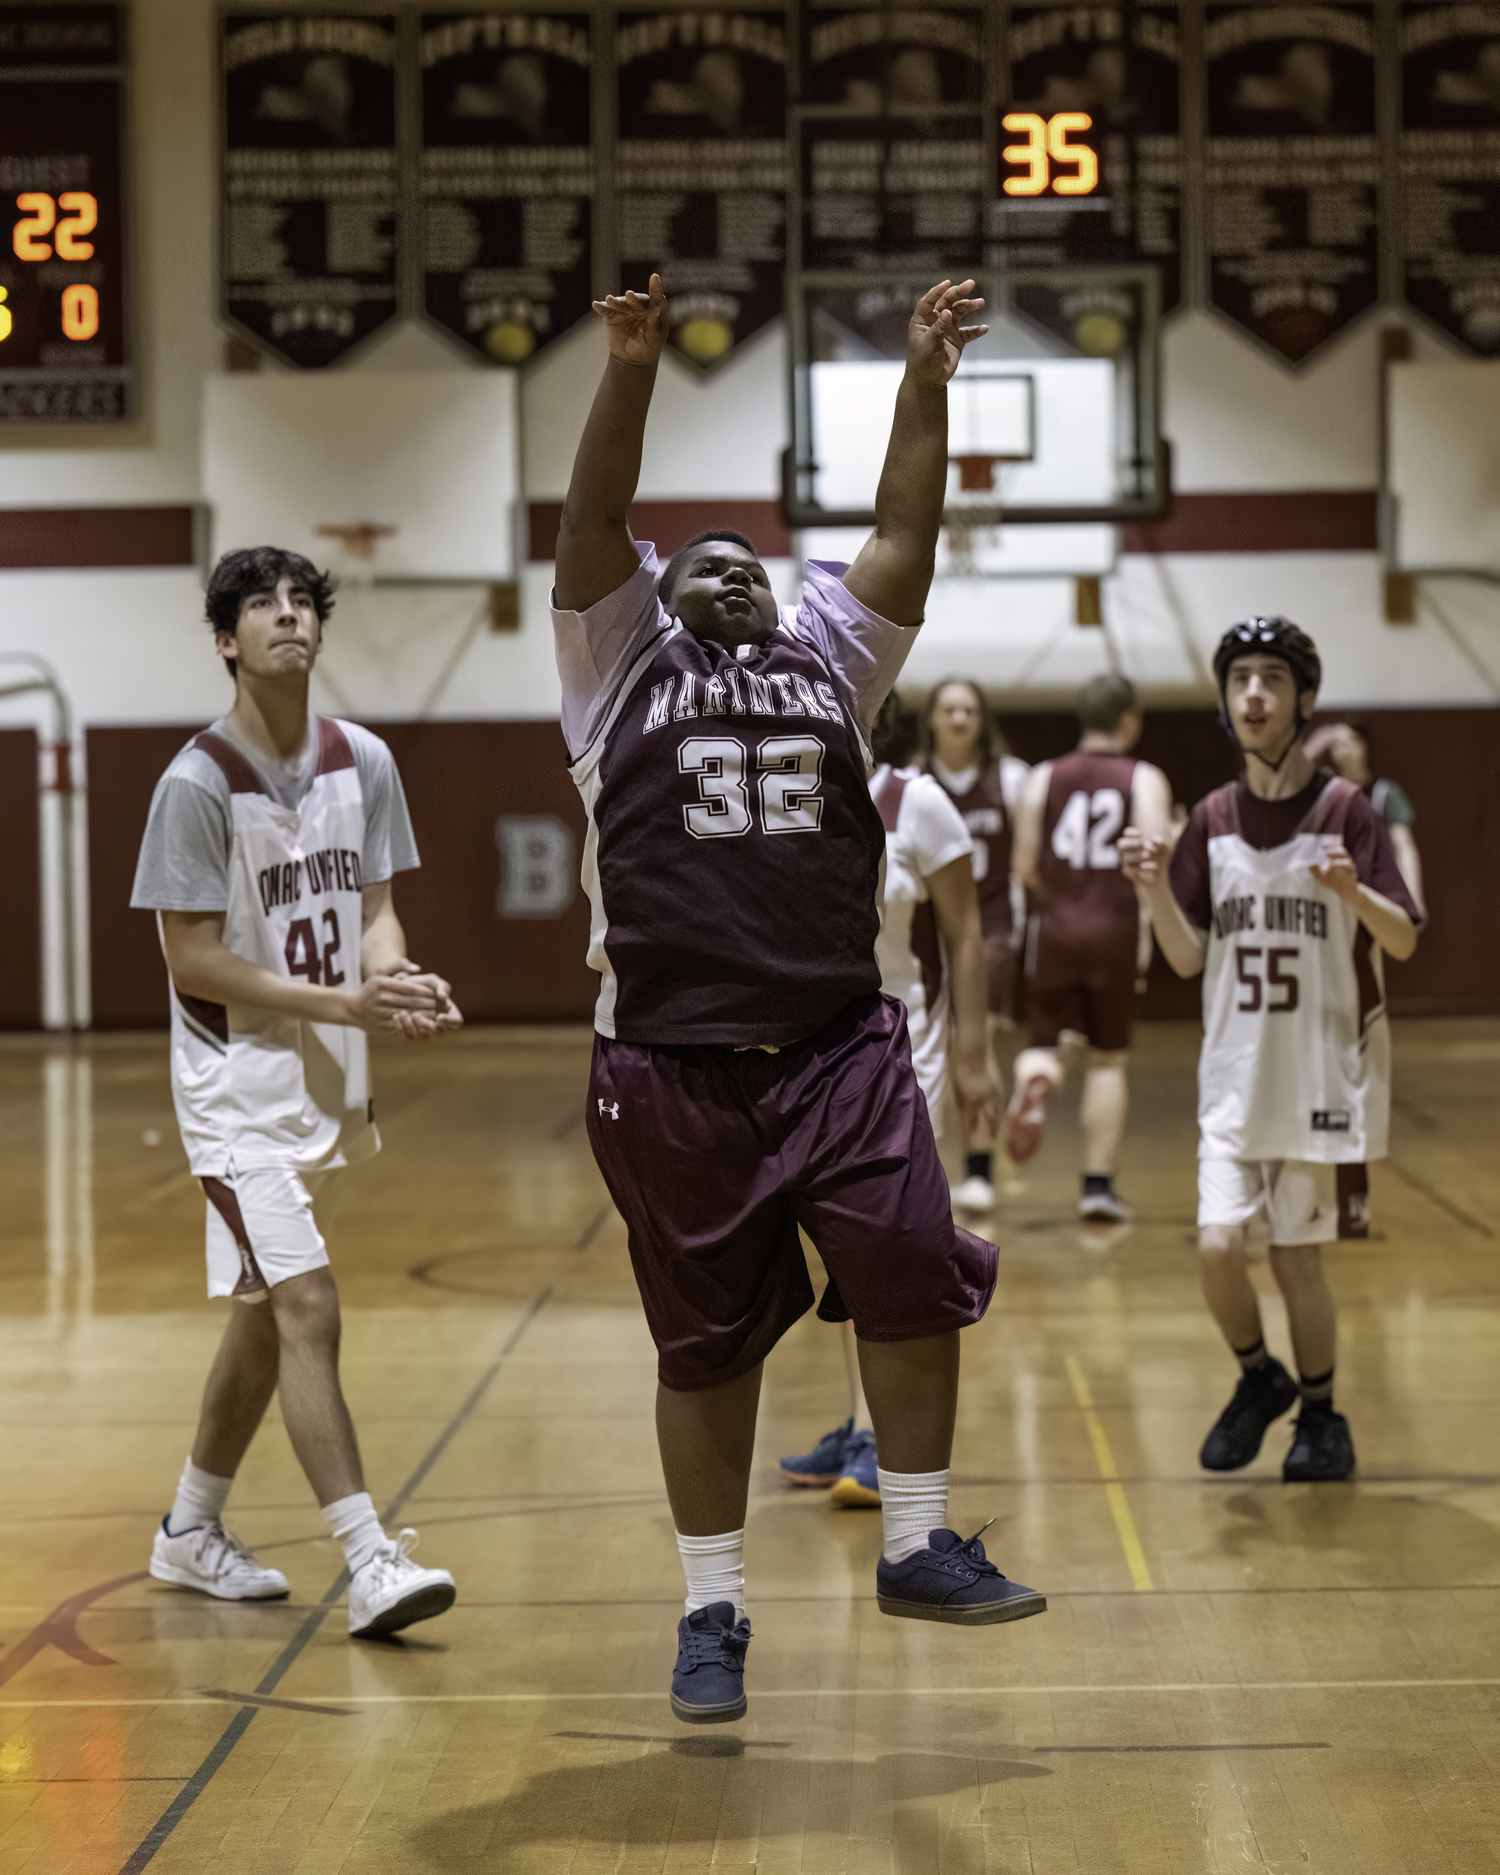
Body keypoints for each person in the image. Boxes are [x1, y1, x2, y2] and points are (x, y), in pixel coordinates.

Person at [552, 272, 1046, 1727]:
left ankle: (915, 1540)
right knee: (704, 1345)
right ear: (656, 593)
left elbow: (902, 529)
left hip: (840, 1046)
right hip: (670, 1064)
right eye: (700, 562)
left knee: (913, 1263)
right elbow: (590, 525)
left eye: (751, 563)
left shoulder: (831, 661)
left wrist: (924, 383)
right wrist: (632, 367)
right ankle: (713, 1606)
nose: (732, 574)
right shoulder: (612, 662)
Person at [131, 547, 463, 1638]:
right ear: (226, 640)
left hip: (316, 1071)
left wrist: (391, 978)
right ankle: (369, 1559)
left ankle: (189, 1530)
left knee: (264, 1320)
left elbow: (375, 911)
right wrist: (339, 1008)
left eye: (301, 604)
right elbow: (190, 960)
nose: (288, 618)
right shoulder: (194, 784)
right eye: (261, 607)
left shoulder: (362, 759)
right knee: (307, 1302)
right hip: (230, 1088)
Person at [1122, 617, 1419, 1482]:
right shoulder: (1210, 816)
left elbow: (1400, 941)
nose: (1254, 692)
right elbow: (1185, 956)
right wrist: (1150, 889)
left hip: (1322, 1073)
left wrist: (1353, 889)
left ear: (1304, 699)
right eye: (1241, 678)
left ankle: (1324, 1418)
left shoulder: (1345, 810)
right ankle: (1261, 1377)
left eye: (1273, 679)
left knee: (1294, 1258)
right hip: (1234, 1077)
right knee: (1218, 1248)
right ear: (1225, 700)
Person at [779, 690, 999, 1508]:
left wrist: (975, 1056)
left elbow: (967, 935)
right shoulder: (789, 787)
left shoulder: (920, 800)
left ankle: (882, 1438)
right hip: (820, 1044)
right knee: (839, 1243)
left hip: (911, 1045)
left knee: (890, 1246)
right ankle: (857, 1421)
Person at [1005, 672, 1172, 1222]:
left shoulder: (1043, 776)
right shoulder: (1143, 777)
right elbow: (1150, 856)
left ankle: (1039, 1076)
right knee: (1107, 1059)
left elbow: (1024, 866)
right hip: (1117, 931)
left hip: (1055, 929)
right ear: (1129, 720)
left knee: (1046, 1039)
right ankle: (1098, 1187)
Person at [923, 677, 1030, 1214]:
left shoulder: (1011, 780)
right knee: (932, 1051)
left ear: (983, 719)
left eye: (970, 708)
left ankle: (981, 1171)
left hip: (988, 931)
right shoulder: (916, 783)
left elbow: (1030, 863)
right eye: (950, 708)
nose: (960, 718)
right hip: (923, 934)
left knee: (975, 1045)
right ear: (933, 720)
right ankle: (930, 1171)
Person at [1305, 720, 1426, 918]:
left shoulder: (1384, 793)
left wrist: (1414, 897)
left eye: (1351, 739)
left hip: (1377, 894)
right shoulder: (1325, 793)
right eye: (1337, 743)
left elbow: (1404, 846)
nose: (1343, 745)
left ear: (1364, 746)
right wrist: (1315, 744)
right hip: (1333, 895)